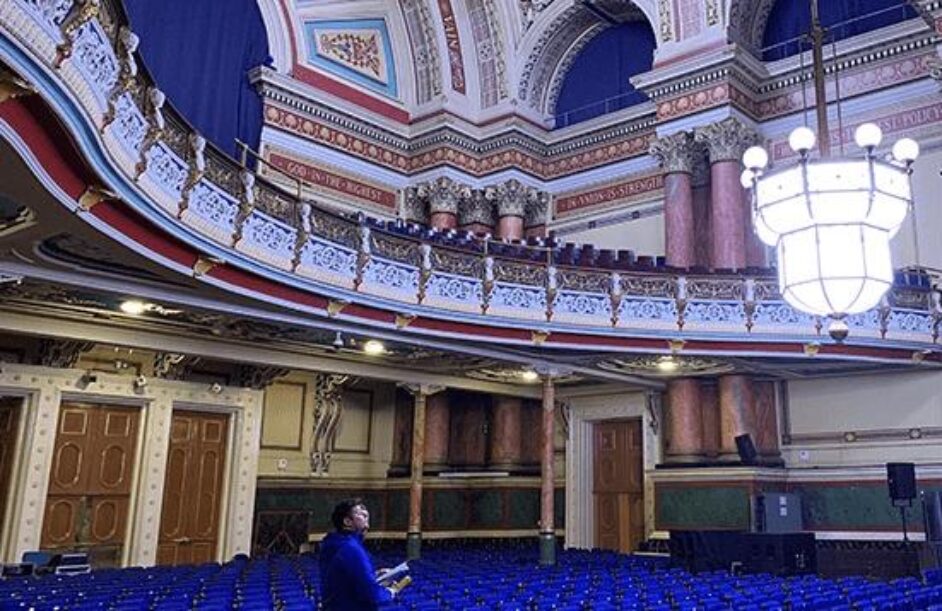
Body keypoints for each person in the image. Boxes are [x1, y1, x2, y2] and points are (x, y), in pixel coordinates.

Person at [319, 498, 395, 610]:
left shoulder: (334, 542)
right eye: (363, 515)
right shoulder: (351, 548)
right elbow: (371, 594)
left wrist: (374, 575)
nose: (367, 518)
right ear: (347, 522)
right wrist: (389, 592)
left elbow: (345, 580)